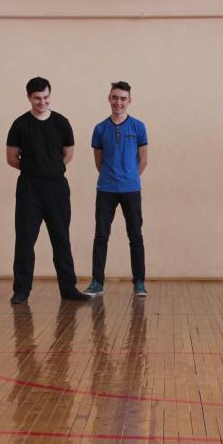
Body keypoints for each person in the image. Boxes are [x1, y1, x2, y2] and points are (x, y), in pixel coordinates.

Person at [6, 77, 90, 304]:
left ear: (49, 95)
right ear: (28, 98)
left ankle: (68, 288)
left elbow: (68, 154)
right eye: (37, 98)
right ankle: (21, 290)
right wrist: (35, 169)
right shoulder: (20, 124)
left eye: (45, 97)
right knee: (25, 240)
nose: (42, 102)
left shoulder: (61, 122)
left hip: (56, 187)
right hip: (29, 188)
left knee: (61, 238)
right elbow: (11, 158)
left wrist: (51, 168)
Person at [83, 81, 149, 298]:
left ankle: (139, 282)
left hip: (131, 189)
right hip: (106, 190)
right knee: (101, 236)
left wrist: (130, 178)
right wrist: (111, 178)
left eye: (123, 98)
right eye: (115, 98)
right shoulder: (100, 129)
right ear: (109, 99)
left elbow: (143, 160)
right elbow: (99, 162)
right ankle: (97, 282)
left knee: (135, 236)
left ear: (129, 101)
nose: (118, 102)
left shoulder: (138, 127)